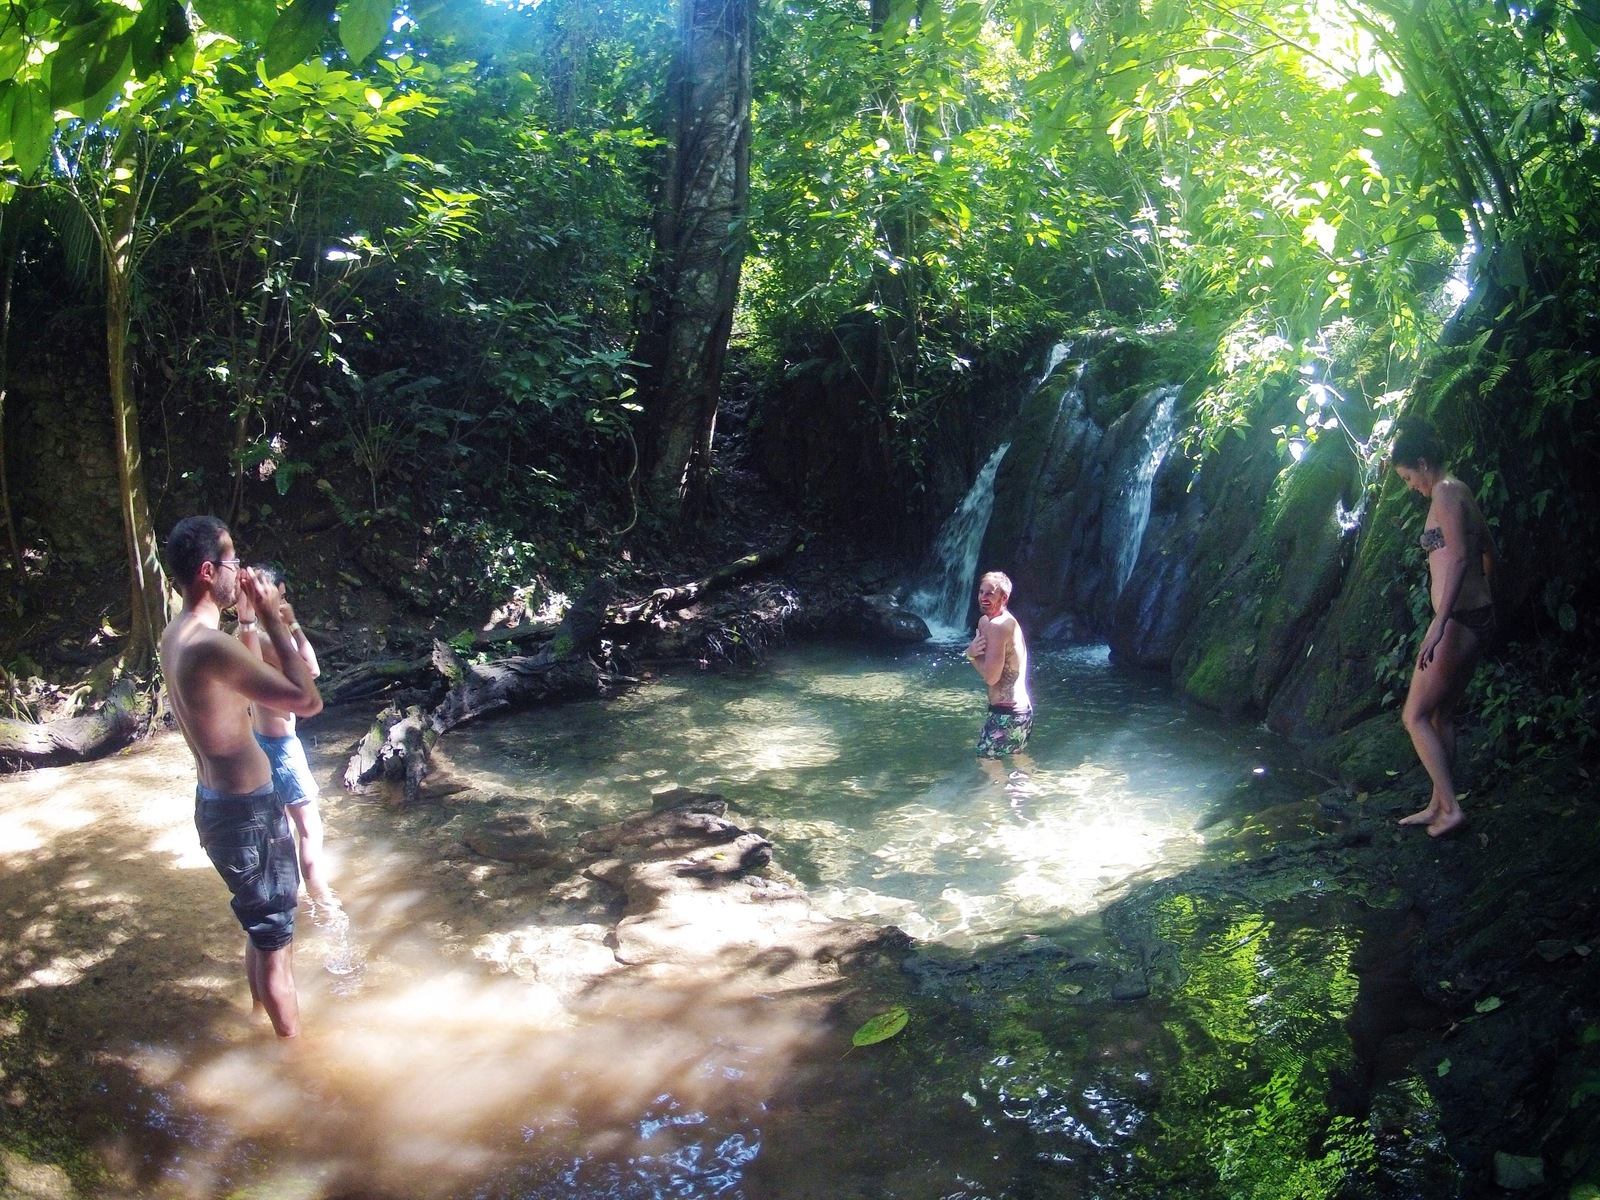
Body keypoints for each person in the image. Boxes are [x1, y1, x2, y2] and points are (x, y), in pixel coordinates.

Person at [160, 516, 322, 1037]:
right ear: (209, 572)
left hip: (217, 806)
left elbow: (245, 689)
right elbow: (308, 700)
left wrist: (253, 622)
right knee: (277, 944)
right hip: (247, 813)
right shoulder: (210, 644)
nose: (241, 571)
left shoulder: (176, 634)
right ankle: (296, 1061)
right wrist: (275, 618)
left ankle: (258, 1023)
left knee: (261, 927)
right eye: (233, 562)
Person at [1390, 419, 1497, 838]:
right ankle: (1438, 803)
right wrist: (1489, 603)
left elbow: (1459, 560)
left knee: (1413, 715)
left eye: (1408, 477)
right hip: (1472, 617)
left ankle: (1451, 808)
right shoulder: (1457, 490)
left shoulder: (1447, 493)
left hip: (1456, 621)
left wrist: (1440, 623)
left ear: (1422, 463)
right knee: (1440, 715)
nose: (1409, 486)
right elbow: (1489, 550)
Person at [238, 566, 334, 912]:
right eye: (279, 593)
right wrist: (291, 623)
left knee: (278, 829)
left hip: (260, 742)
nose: (283, 598)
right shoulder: (265, 639)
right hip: (281, 748)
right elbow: (312, 669)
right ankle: (322, 900)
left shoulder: (246, 635)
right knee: (310, 829)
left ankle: (284, 897)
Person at [965, 571, 1033, 758]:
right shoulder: (989, 621)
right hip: (1020, 711)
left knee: (987, 762)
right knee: (1016, 759)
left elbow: (991, 677)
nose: (983, 598)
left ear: (1004, 597)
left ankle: (1002, 788)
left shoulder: (998, 626)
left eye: (989, 593)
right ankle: (1032, 786)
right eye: (981, 592)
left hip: (1007, 713)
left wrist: (970, 655)